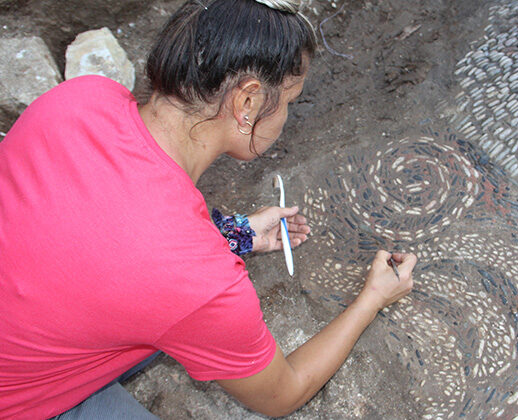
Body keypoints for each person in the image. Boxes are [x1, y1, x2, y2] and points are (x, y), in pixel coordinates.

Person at [0, 0, 417, 418]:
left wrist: (234, 234)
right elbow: (282, 394)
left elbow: (93, 233)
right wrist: (372, 298)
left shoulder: (80, 97)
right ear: (247, 103)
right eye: (290, 99)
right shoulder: (202, 286)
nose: (288, 115)